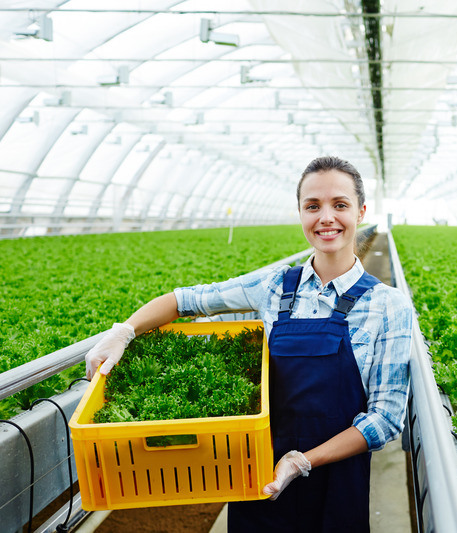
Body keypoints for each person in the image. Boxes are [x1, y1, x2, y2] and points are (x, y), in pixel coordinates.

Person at [84, 156, 414, 532]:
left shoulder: (387, 305)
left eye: (340, 205)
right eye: (312, 206)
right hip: (257, 477)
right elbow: (185, 299)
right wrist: (123, 331)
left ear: (361, 212)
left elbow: (385, 419)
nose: (326, 217)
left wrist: (302, 461)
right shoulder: (273, 286)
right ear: (301, 214)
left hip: (336, 484)